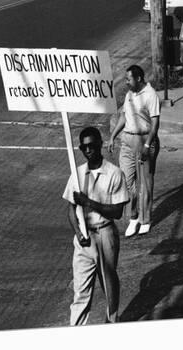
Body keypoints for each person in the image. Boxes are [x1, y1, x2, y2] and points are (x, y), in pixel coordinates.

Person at [62, 126, 129, 326]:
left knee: (108, 281)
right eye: (84, 147)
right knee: (81, 291)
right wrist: (78, 232)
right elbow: (71, 209)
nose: (88, 150)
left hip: (105, 234)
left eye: (92, 145)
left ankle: (112, 318)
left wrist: (89, 202)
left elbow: (117, 212)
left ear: (100, 144)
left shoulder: (114, 173)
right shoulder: (77, 174)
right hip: (83, 238)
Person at [108, 65, 160, 237]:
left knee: (145, 182)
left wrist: (147, 146)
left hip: (145, 139)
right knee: (126, 181)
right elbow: (124, 116)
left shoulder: (150, 95)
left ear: (138, 78)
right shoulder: (130, 94)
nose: (126, 82)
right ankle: (133, 217)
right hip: (127, 141)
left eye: (128, 79)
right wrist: (113, 136)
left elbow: (155, 123)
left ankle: (145, 219)